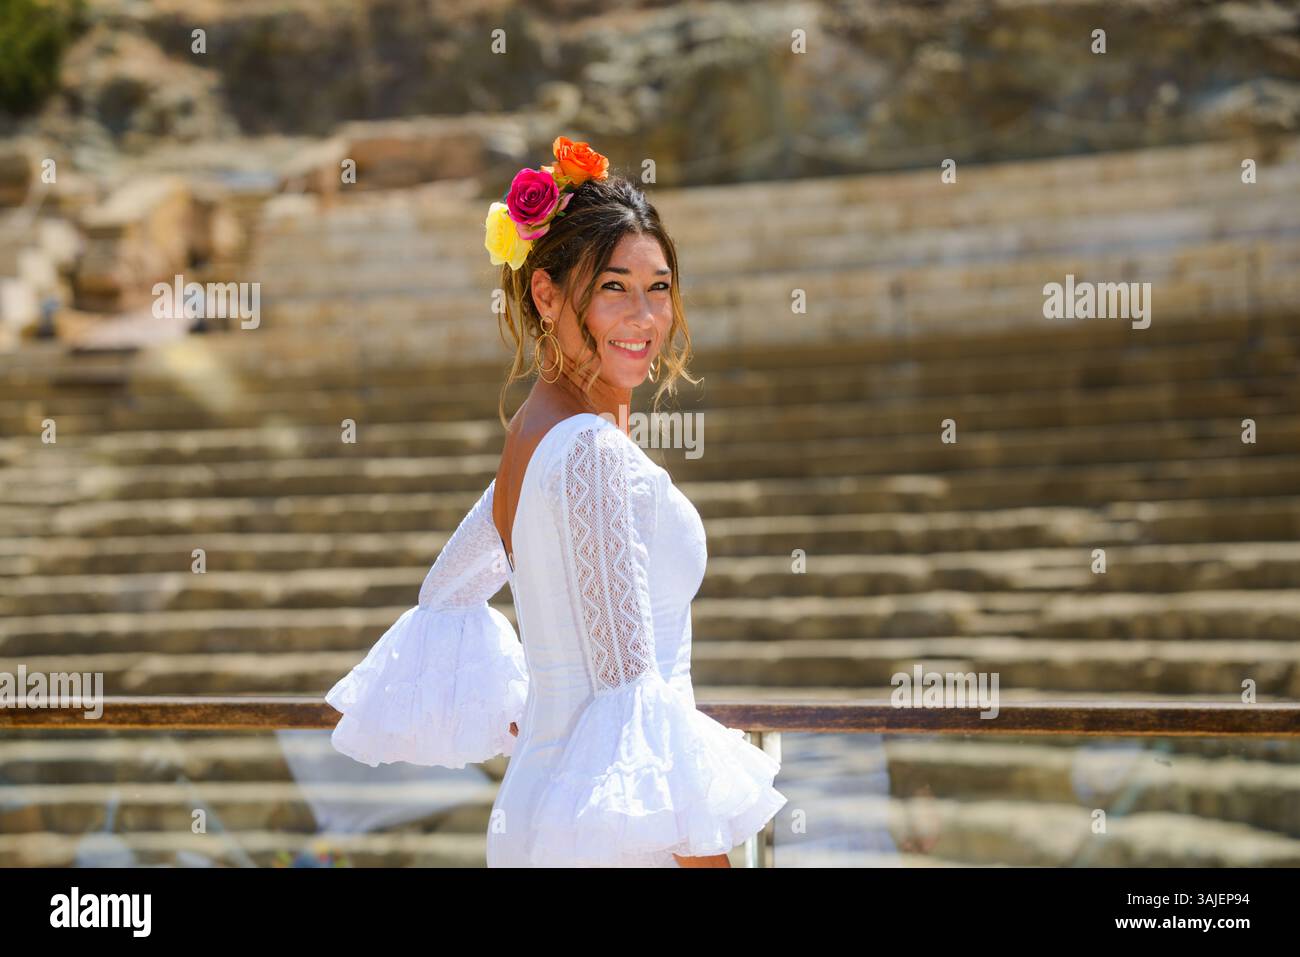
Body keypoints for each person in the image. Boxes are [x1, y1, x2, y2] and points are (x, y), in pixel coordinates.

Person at [326, 136, 787, 867]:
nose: (644, 317)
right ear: (546, 293)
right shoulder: (590, 454)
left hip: (551, 812)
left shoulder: (533, 435)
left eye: (659, 287)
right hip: (622, 836)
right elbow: (632, 699)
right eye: (613, 287)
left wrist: (539, 713)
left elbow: (443, 593)